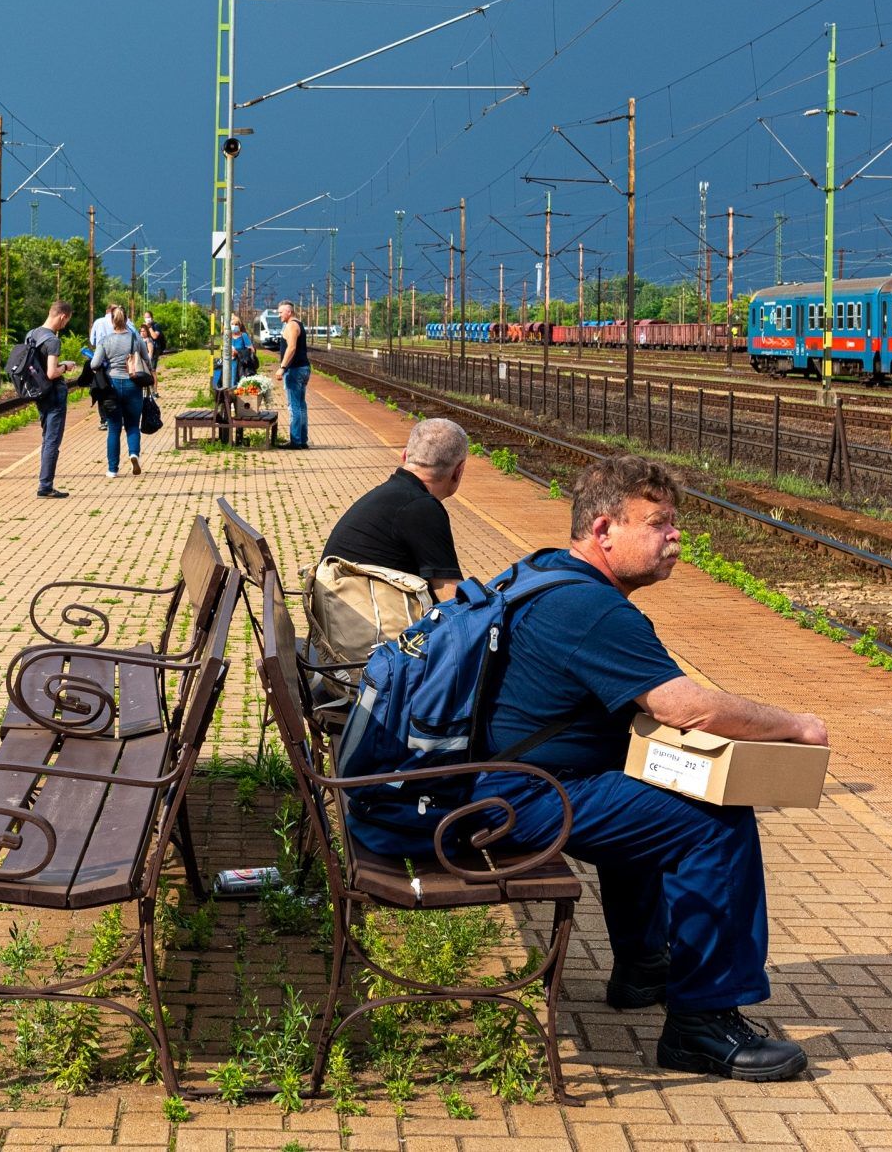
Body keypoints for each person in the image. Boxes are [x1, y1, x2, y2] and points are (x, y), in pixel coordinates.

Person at [474, 455, 828, 1084]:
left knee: (651, 792)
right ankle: (703, 1025)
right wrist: (796, 724)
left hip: (499, 785)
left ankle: (644, 968)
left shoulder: (544, 571)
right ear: (604, 530)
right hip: (520, 799)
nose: (675, 537)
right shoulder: (594, 611)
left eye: (675, 524)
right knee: (715, 824)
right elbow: (688, 707)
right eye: (658, 524)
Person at [321, 418, 465, 601]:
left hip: (344, 614)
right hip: (368, 625)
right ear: (458, 471)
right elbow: (451, 598)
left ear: (404, 456)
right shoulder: (421, 507)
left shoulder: (390, 496)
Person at [90, 303, 153, 478]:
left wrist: (107, 363)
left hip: (112, 386)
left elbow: (94, 364)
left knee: (114, 428)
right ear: (126, 320)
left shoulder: (105, 340)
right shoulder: (135, 338)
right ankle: (134, 454)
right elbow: (147, 360)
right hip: (133, 384)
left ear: (112, 321)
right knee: (132, 425)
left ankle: (112, 469)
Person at [24, 300, 75, 499]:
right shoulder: (53, 340)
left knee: (47, 438)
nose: (65, 325)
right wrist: (66, 366)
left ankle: (45, 483)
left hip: (39, 392)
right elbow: (52, 372)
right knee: (52, 440)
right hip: (54, 394)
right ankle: (45, 486)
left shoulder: (32, 334)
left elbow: (39, 366)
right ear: (62, 316)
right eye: (66, 321)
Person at [277, 301, 312, 449]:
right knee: (301, 406)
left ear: (289, 312)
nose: (279, 315)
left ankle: (296, 441)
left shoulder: (291, 325)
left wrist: (282, 367)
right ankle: (302, 440)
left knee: (294, 406)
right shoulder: (300, 324)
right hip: (303, 368)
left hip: (295, 370)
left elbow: (291, 348)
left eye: (280, 312)